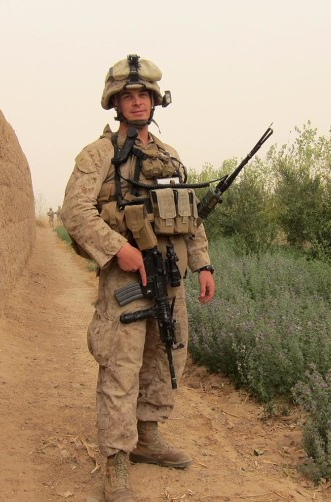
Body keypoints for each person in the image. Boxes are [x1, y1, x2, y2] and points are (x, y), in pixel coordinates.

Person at [60, 54, 215, 502]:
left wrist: (202, 264)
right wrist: (118, 249)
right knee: (121, 365)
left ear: (154, 100)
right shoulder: (99, 155)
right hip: (126, 277)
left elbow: (190, 218)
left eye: (143, 94)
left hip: (169, 276)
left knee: (165, 356)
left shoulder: (169, 156)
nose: (136, 102)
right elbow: (76, 211)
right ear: (115, 102)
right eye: (128, 95)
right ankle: (115, 462)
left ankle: (147, 437)